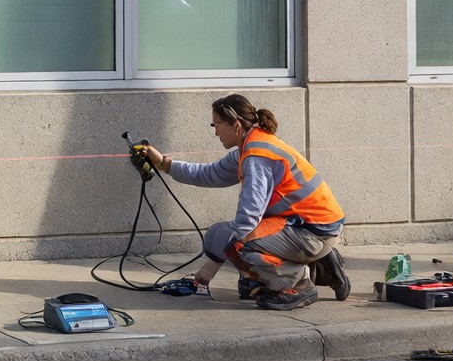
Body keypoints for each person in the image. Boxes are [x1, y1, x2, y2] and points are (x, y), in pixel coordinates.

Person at [137, 94, 348, 310]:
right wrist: (163, 163)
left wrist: (213, 264)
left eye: (218, 123)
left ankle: (298, 283)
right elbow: (209, 173)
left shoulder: (257, 157)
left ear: (235, 125)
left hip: (313, 232)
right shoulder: (251, 144)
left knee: (237, 243)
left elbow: (247, 221)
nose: (215, 130)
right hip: (311, 227)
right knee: (219, 236)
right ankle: (321, 263)